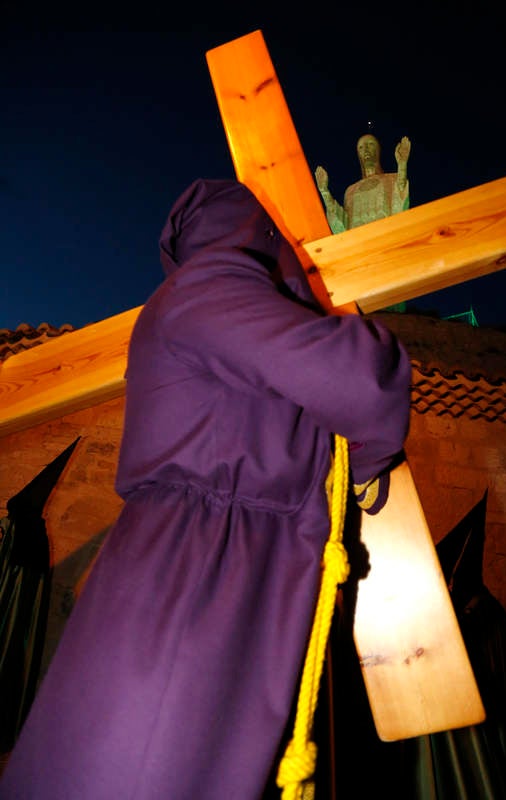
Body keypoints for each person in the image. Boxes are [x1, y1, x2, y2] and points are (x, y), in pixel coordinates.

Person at [0, 179, 411, 799]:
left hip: (200, 560)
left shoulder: (200, 301)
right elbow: (357, 379)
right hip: (199, 568)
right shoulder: (207, 287)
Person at [315, 133, 411, 232]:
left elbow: (400, 195)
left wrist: (402, 165)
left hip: (386, 235)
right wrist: (324, 191)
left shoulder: (391, 179)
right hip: (360, 242)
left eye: (370, 144)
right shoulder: (351, 190)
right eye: (361, 147)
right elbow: (342, 225)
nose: (366, 149)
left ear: (378, 150)